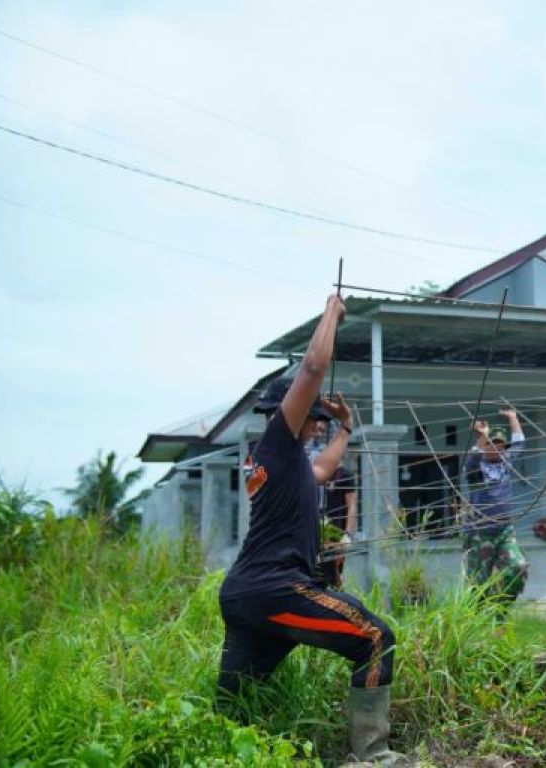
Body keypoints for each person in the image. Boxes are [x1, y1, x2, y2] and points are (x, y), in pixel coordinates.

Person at [217, 294, 404, 763]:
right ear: (291, 415)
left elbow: (322, 471)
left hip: (245, 593)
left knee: (230, 708)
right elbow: (313, 369)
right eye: (315, 419)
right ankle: (373, 757)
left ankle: (211, 752)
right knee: (376, 639)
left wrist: (345, 429)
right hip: (277, 589)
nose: (318, 427)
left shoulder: (283, 462)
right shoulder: (277, 441)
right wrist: (332, 311)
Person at [462, 409, 528, 610]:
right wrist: (482, 435)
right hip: (479, 534)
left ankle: (500, 609)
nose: (497, 449)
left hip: (504, 531)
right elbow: (474, 456)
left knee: (518, 567)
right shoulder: (475, 466)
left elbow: (519, 442)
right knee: (476, 586)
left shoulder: (506, 462)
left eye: (501, 446)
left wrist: (513, 418)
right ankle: (477, 622)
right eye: (493, 445)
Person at [320, 461, 357, 589]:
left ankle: (337, 595)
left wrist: (348, 533)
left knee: (336, 570)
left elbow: (351, 505)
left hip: (336, 530)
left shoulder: (345, 475)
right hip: (320, 527)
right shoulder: (321, 474)